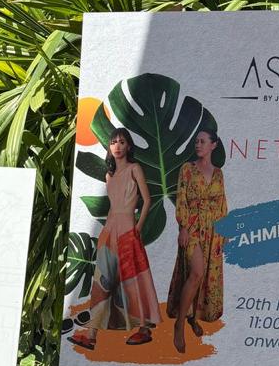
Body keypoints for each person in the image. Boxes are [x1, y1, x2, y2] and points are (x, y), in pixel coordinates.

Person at [69, 128, 161, 349]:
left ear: (128, 146)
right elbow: (112, 206)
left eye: (121, 141)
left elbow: (147, 200)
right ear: (109, 148)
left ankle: (144, 329)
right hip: (110, 230)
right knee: (103, 280)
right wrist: (105, 233)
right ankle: (91, 335)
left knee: (133, 277)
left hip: (128, 228)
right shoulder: (109, 176)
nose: (117, 146)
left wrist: (138, 227)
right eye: (113, 142)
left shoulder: (134, 169)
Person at [167, 126, 228, 353]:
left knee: (204, 276)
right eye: (197, 141)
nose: (198, 144)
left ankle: (193, 318)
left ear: (213, 145)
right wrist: (183, 227)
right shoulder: (187, 169)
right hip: (192, 226)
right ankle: (179, 324)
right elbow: (181, 198)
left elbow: (222, 203)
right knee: (195, 273)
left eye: (203, 141)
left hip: (213, 229)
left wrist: (225, 232)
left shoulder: (218, 173)